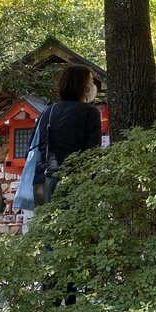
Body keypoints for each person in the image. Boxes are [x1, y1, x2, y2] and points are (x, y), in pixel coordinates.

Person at [32, 64, 102, 207]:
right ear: (82, 85)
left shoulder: (49, 110)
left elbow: (37, 145)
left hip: (44, 180)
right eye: (90, 81)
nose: (93, 85)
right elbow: (93, 151)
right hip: (75, 181)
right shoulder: (90, 112)